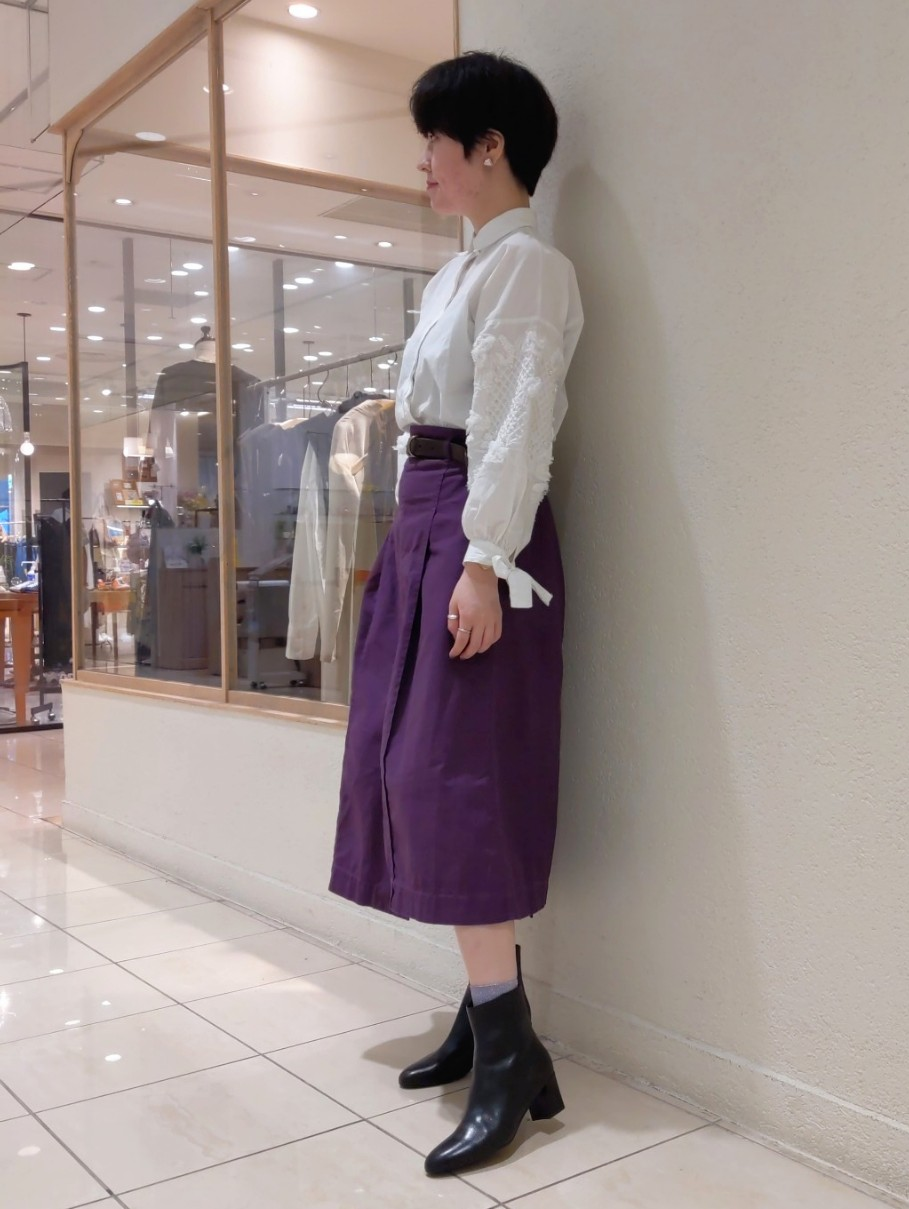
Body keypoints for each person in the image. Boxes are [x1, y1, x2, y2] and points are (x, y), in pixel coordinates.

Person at [327, 51, 584, 1177]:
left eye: (434, 141)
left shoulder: (528, 266)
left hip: (479, 532)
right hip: (429, 523)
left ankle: (510, 1050)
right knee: (415, 771)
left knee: (458, 777)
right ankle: (490, 1024)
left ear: (490, 147)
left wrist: (482, 562)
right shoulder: (459, 272)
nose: (421, 162)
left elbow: (518, 421)